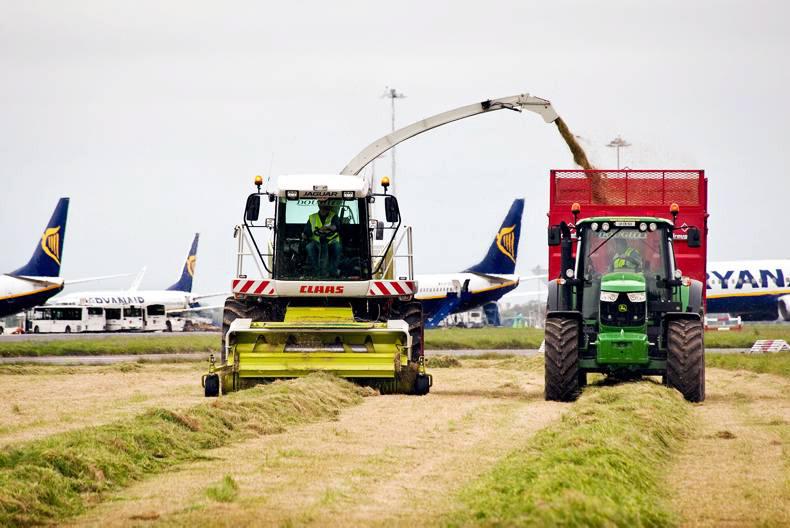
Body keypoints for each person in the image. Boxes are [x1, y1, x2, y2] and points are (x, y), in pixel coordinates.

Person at [303, 199, 341, 276]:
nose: (324, 208)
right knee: (309, 247)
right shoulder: (312, 217)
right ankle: (316, 271)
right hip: (317, 242)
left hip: (331, 241)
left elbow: (336, 226)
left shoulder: (333, 216)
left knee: (337, 247)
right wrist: (304, 235)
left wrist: (330, 228)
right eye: (322, 205)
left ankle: (333, 271)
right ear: (319, 206)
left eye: (326, 206)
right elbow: (306, 232)